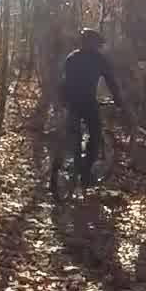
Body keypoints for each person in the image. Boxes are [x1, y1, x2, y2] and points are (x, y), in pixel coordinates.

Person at [59, 28, 125, 184]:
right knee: (95, 136)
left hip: (69, 101)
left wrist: (62, 100)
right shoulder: (99, 59)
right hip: (87, 102)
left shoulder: (71, 57)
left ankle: (68, 160)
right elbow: (111, 82)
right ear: (95, 44)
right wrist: (119, 101)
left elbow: (63, 81)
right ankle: (86, 174)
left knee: (72, 132)